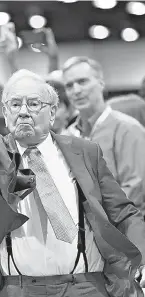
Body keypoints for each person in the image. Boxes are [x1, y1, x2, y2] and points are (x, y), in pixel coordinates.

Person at [0, 37, 145, 297]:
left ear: (53, 112)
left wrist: (141, 257)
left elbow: (124, 211)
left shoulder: (85, 151)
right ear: (5, 114)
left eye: (34, 103)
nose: (23, 111)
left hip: (84, 289)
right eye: (15, 104)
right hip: (21, 295)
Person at [62, 56, 145, 215]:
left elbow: (134, 191)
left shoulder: (128, 129)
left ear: (101, 83)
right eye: (69, 86)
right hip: (81, 233)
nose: (76, 90)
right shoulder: (66, 137)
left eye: (83, 81)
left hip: (122, 231)